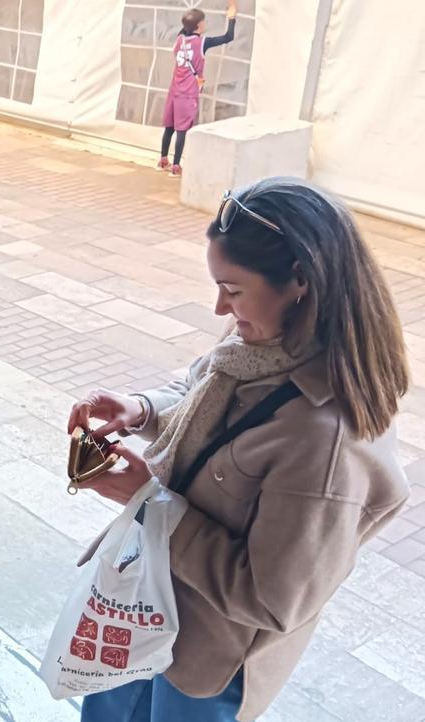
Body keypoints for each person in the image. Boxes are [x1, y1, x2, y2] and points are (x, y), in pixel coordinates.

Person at [67, 177, 410, 722]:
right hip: (144, 606)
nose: (219, 308)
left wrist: (148, 500)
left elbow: (273, 598)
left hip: (206, 659)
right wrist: (142, 409)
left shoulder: (324, 439)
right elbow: (199, 385)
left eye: (232, 289)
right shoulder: (265, 343)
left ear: (300, 279)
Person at [157, 0, 239, 177]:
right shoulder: (202, 43)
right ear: (199, 25)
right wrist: (232, 16)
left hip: (174, 90)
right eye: (204, 21)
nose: (205, 24)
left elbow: (183, 32)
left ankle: (163, 160)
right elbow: (228, 37)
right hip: (188, 93)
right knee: (181, 130)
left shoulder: (179, 40)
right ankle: (176, 166)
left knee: (169, 127)